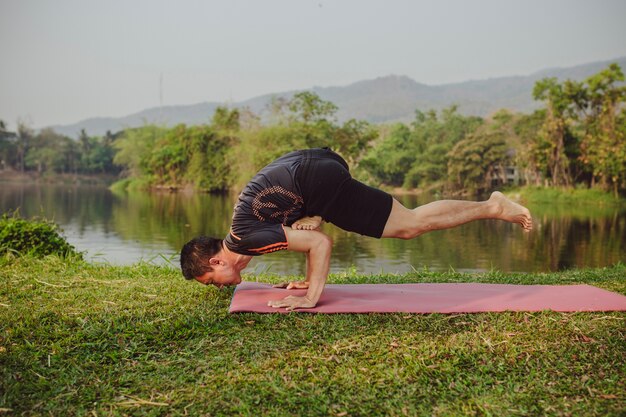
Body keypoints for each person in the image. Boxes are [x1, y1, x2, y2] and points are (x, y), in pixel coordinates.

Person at [180, 148, 532, 311]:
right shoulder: (241, 231)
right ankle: (492, 206)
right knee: (407, 222)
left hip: (316, 179)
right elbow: (295, 226)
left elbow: (319, 244)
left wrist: (310, 297)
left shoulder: (247, 240)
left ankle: (493, 206)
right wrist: (313, 214)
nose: (218, 288)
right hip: (315, 165)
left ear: (216, 263)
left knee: (409, 226)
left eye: (212, 282)